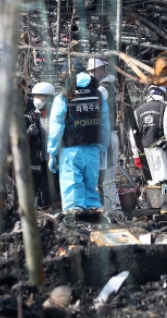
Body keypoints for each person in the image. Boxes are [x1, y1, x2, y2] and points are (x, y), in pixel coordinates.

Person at [47, 72, 110, 212]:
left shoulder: (64, 97)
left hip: (70, 150)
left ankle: (74, 217)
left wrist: (52, 151)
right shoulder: (99, 96)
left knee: (72, 188)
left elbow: (57, 126)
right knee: (91, 187)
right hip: (93, 147)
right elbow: (105, 123)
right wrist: (103, 146)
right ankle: (93, 214)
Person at [87, 58, 120, 212]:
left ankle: (112, 209)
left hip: (105, 137)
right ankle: (115, 207)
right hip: (110, 135)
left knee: (105, 176)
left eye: (94, 71)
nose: (92, 74)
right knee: (108, 176)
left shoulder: (103, 89)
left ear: (103, 70)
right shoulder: (109, 86)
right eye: (90, 72)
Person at [134, 86, 167, 185]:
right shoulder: (166, 108)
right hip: (160, 152)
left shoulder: (138, 111)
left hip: (144, 153)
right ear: (163, 94)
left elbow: (134, 135)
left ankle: (153, 200)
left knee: (151, 184)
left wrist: (136, 155)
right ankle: (166, 200)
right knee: (164, 182)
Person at [25, 82, 59, 209]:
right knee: (34, 189)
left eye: (41, 97)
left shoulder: (57, 116)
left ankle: (50, 212)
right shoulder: (30, 117)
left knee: (51, 190)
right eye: (35, 97)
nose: (37, 100)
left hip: (52, 159)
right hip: (36, 160)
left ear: (50, 98)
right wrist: (28, 132)